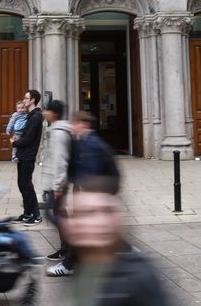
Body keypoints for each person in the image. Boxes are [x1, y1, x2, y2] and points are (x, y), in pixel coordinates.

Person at [64, 178, 168, 306]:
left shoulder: (138, 277)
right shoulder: (86, 267)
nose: (100, 220)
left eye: (108, 211)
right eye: (87, 213)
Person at [48, 110, 120, 278]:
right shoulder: (83, 142)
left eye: (75, 124)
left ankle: (68, 265)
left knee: (81, 230)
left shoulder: (93, 145)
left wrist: (91, 194)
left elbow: (98, 172)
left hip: (96, 196)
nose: (72, 127)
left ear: (85, 125)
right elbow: (75, 167)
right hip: (94, 196)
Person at [40, 99, 73, 262]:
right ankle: (66, 248)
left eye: (48, 111)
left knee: (57, 215)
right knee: (58, 214)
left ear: (55, 114)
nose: (45, 113)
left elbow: (61, 160)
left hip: (58, 183)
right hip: (55, 182)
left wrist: (58, 186)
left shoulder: (59, 133)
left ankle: (70, 248)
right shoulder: (54, 130)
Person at [11, 89, 44, 225]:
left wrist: (15, 142)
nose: (24, 100)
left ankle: (36, 215)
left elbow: (29, 138)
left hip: (28, 155)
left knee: (27, 185)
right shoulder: (30, 115)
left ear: (32, 100)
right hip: (23, 154)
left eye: (26, 98)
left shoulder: (36, 116)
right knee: (22, 184)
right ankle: (27, 213)